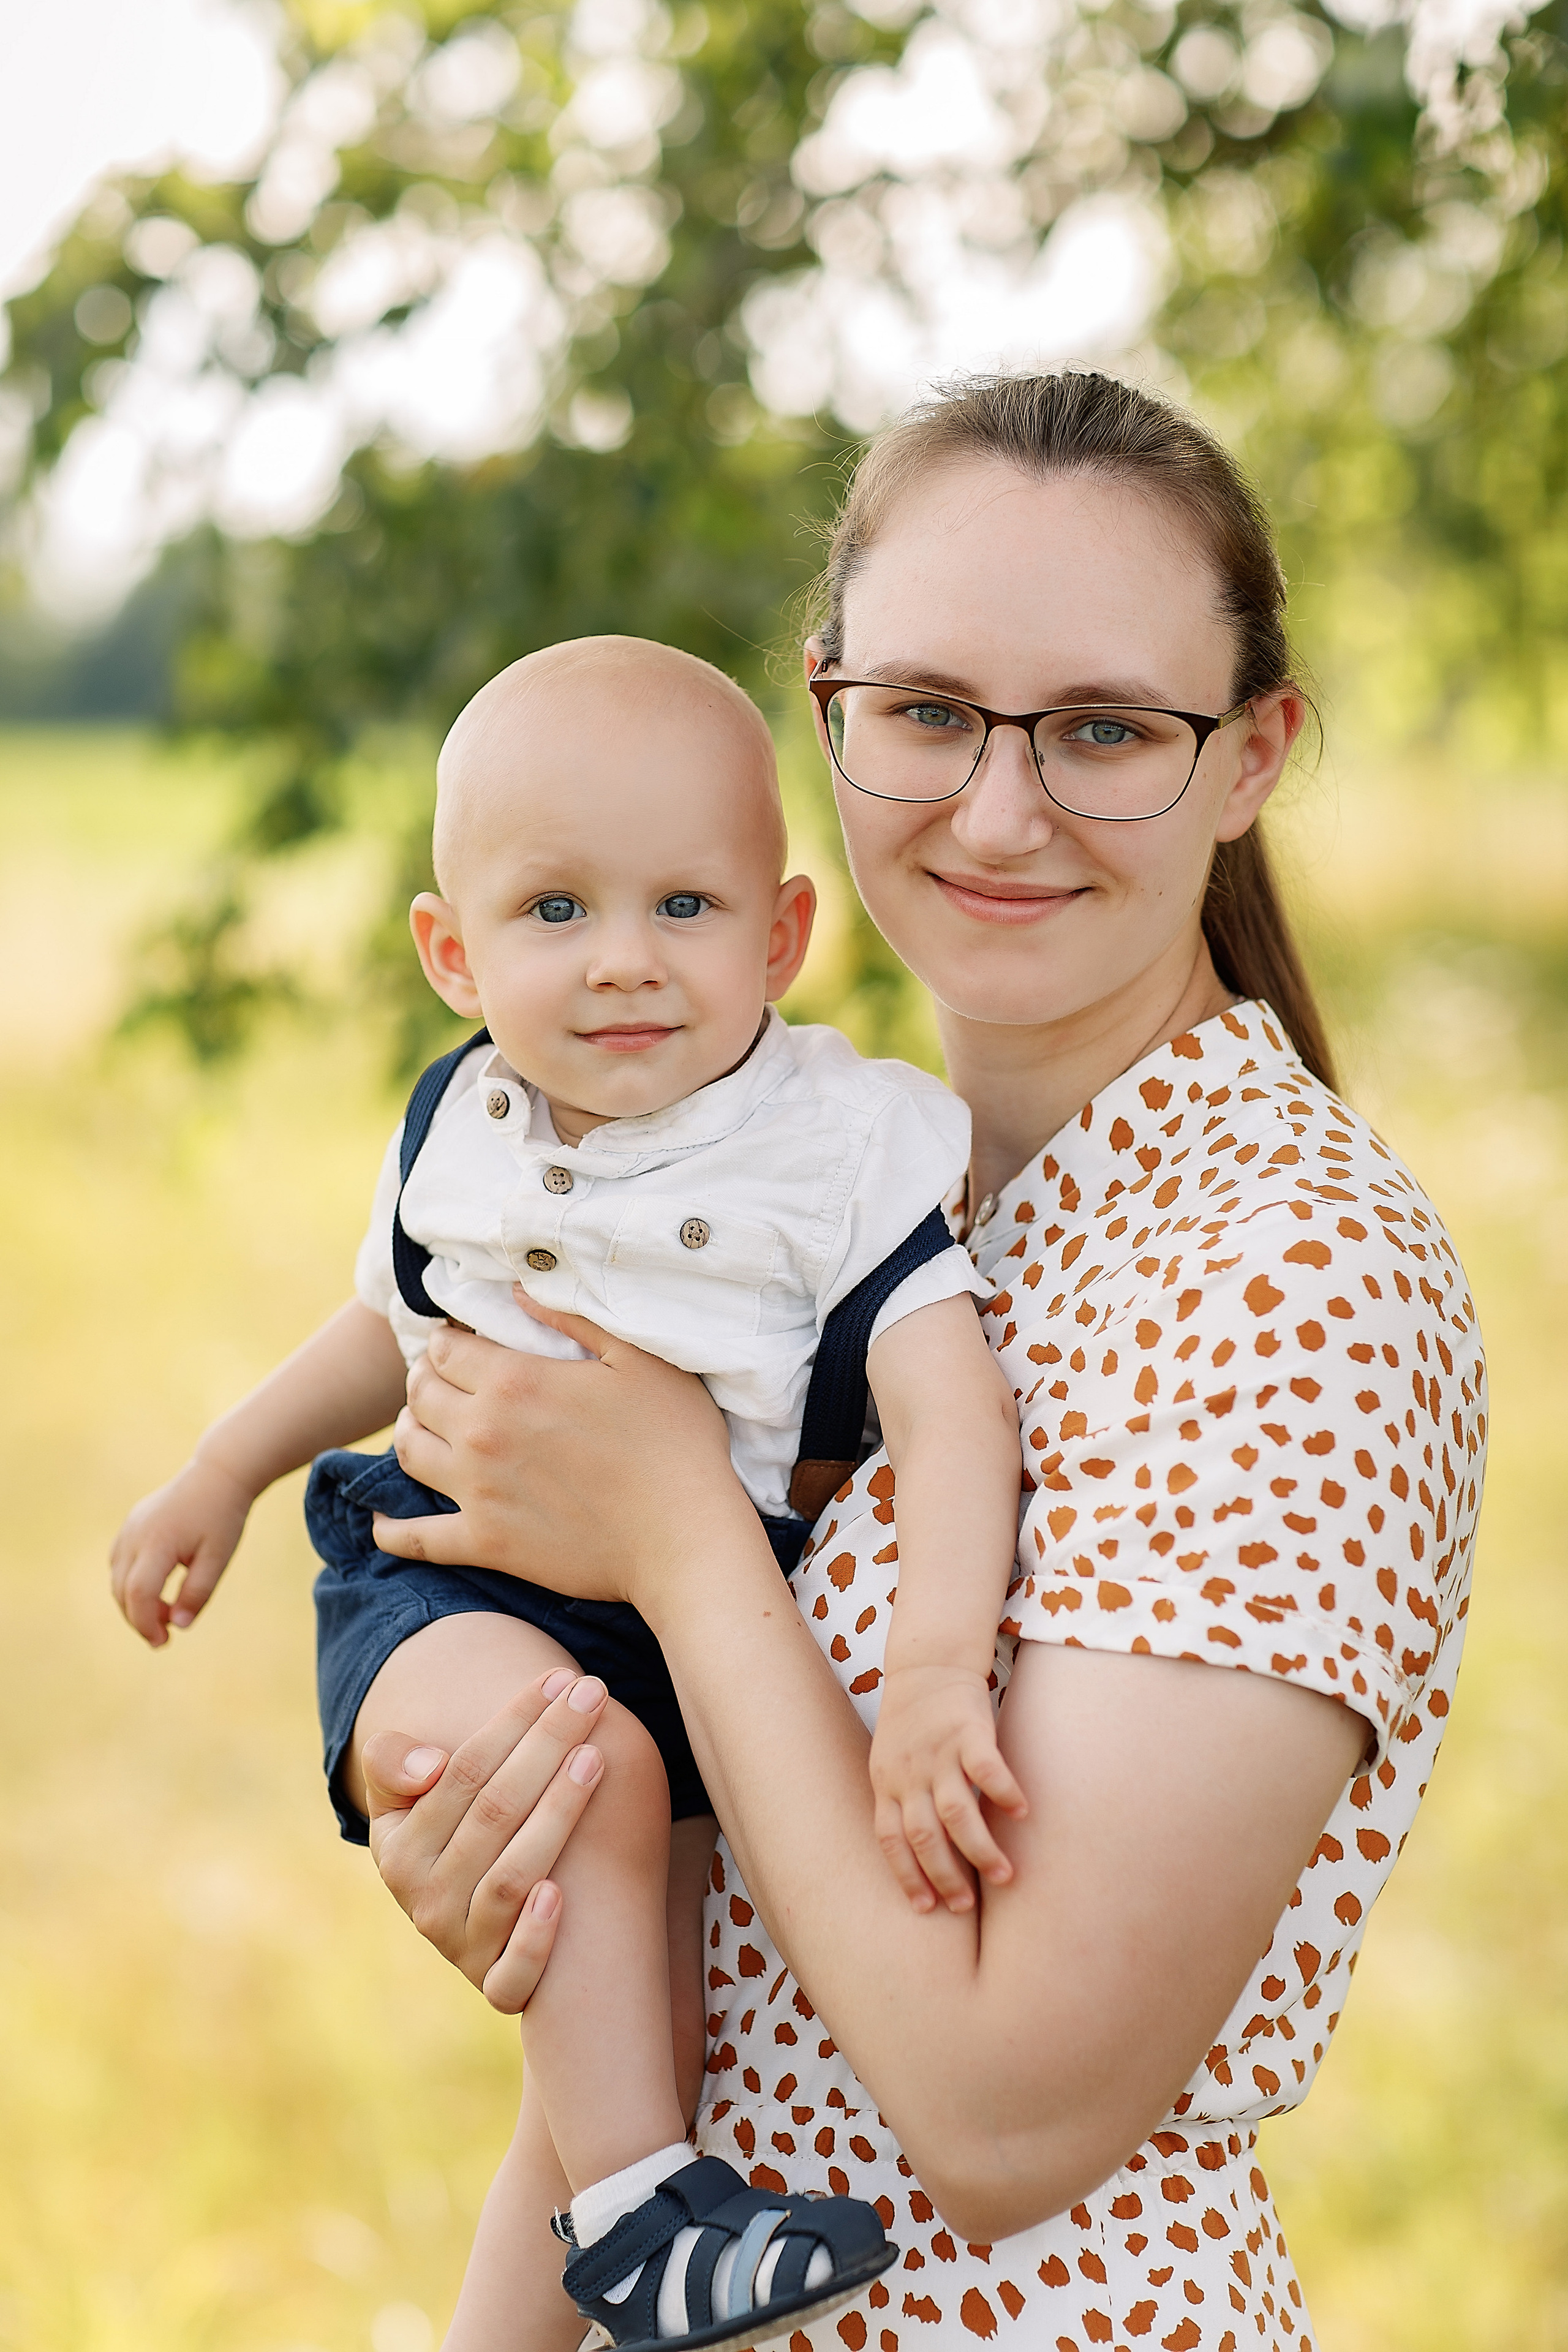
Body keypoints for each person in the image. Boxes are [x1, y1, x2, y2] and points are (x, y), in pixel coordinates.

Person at [349, 372, 1487, 2352]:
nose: (997, 810)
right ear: (830, 719)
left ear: (1252, 757)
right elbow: (717, 1981)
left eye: (1111, 731)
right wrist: (549, 1839)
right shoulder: (829, 1188)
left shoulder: (1293, 1269)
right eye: (931, 714)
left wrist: (680, 1541)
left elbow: (1003, 2106)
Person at [108, 635, 1034, 2350]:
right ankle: (642, 2229)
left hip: (700, 1628)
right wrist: (223, 1469)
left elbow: (956, 1413)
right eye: (554, 914)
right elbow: (386, 1331)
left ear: (780, 935)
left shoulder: (843, 1147)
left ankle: (591, 2252)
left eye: (684, 908)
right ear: (452, 954)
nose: (623, 964)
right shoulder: (469, 1121)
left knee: (644, 1977)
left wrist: (927, 1673)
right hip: (448, 1581)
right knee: (574, 1789)